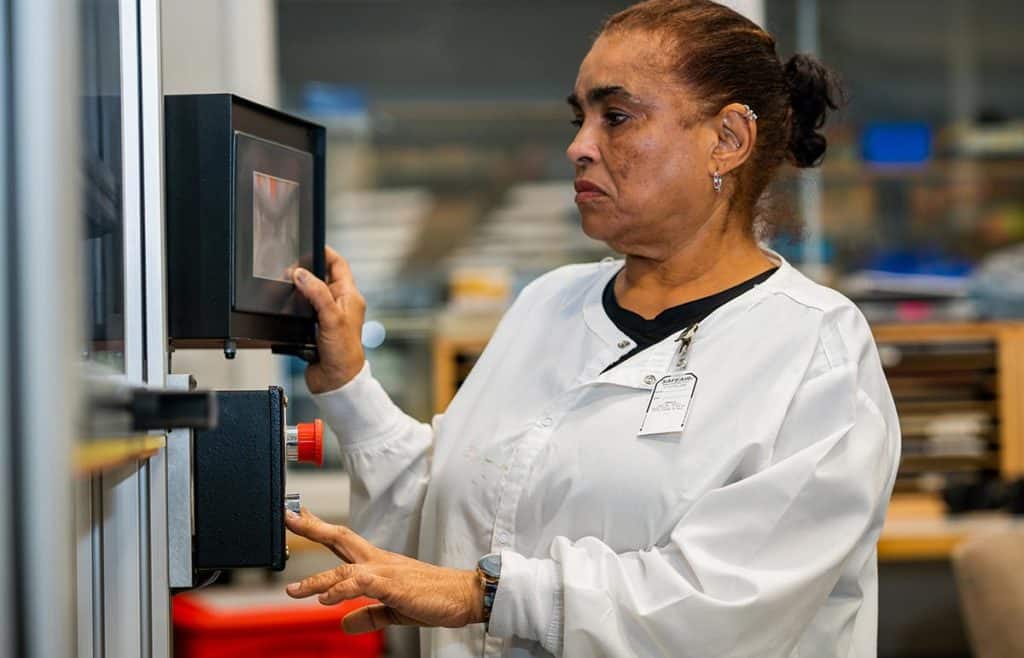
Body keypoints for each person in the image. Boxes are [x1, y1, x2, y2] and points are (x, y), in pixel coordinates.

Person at [283, 1, 901, 656]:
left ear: (727, 139)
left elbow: (722, 606)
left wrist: (485, 595)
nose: (578, 147)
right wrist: (348, 384)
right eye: (581, 119)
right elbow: (457, 518)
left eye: (618, 117)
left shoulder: (815, 348)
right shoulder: (550, 302)